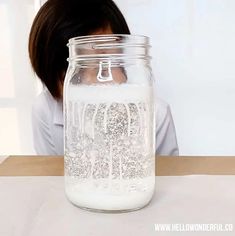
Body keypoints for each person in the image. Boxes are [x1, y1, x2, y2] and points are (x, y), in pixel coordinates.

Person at [29, 0, 179, 156]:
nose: (91, 84)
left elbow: (169, 176)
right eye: (75, 72)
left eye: (106, 66)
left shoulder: (156, 115)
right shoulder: (44, 110)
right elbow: (50, 175)